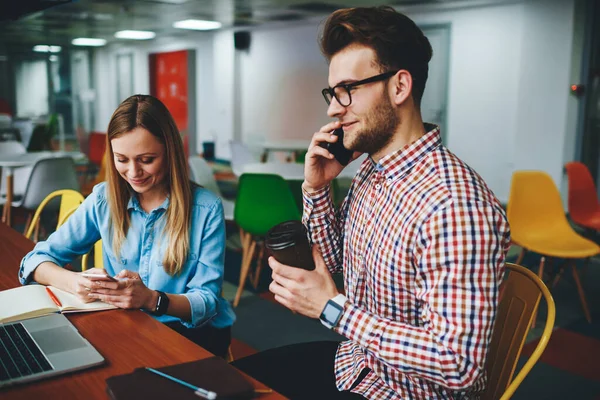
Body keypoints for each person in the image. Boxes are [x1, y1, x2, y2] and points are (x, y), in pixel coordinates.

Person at [231, 6, 511, 399]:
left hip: (403, 392)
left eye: (348, 89)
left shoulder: (454, 205)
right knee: (226, 384)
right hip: (355, 365)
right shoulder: (371, 172)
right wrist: (317, 187)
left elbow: (457, 363)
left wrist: (332, 309)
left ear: (399, 87)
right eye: (332, 92)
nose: (332, 108)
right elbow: (338, 271)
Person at [19, 94, 235, 358]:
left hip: (190, 336)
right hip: (126, 327)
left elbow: (207, 302)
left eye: (146, 160)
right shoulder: (104, 199)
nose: (133, 172)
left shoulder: (206, 209)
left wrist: (151, 299)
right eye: (122, 159)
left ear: (170, 152)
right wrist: (75, 281)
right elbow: (35, 261)